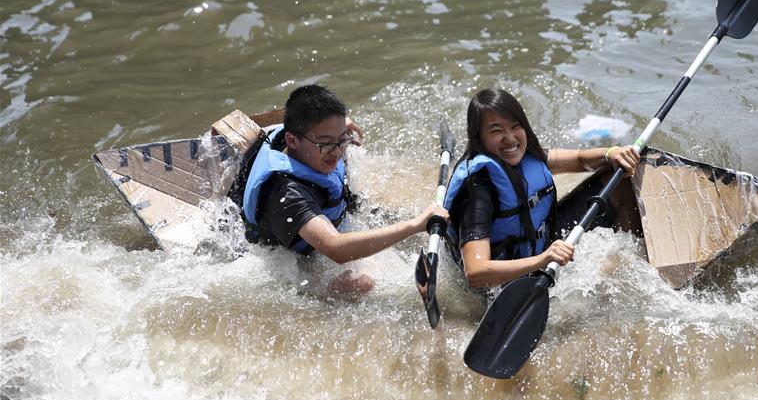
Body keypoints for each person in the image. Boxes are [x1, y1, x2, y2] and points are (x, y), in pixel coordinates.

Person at [237, 84, 448, 299]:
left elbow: (319, 130)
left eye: (342, 140)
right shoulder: (288, 194)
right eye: (326, 143)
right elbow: (336, 248)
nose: (337, 151)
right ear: (292, 140)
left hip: (331, 214)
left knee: (409, 230)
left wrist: (336, 131)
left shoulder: (309, 141)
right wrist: (414, 225)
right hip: (294, 260)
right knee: (362, 284)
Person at [443, 88, 640, 296]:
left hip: (540, 250)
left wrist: (611, 153)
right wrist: (543, 259)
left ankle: (638, 265)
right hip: (499, 286)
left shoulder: (527, 157)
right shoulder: (477, 192)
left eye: (515, 126)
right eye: (496, 131)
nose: (510, 139)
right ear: (478, 138)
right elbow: (475, 272)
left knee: (620, 178)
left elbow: (581, 159)